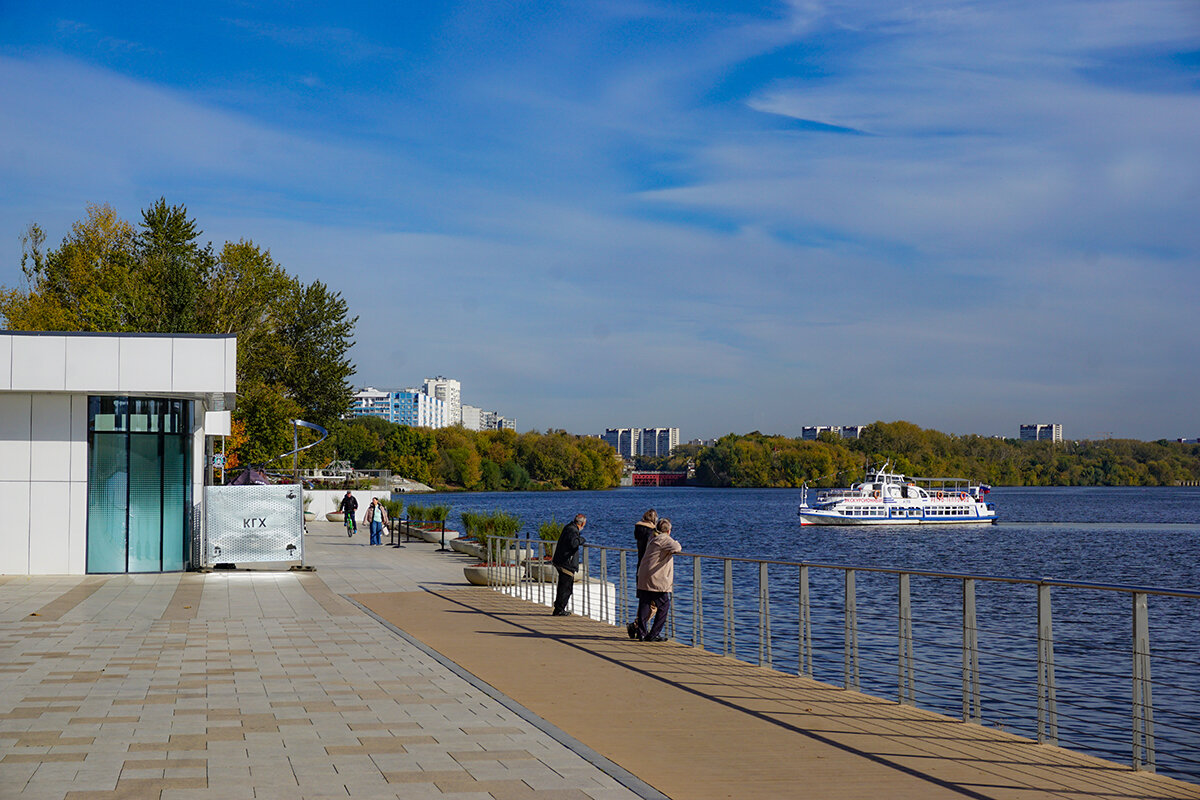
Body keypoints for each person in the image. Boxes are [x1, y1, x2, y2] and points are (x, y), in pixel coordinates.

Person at [634, 518, 682, 642]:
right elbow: (677, 547)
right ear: (669, 531)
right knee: (664, 605)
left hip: (644, 574)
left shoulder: (653, 539)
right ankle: (653, 634)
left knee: (645, 604)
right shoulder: (664, 539)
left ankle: (641, 633)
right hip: (655, 578)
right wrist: (673, 540)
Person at [627, 509, 658, 638]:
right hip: (651, 569)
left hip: (640, 568)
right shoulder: (652, 533)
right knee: (654, 603)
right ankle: (637, 625)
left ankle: (640, 629)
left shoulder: (639, 531)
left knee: (644, 601)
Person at [550, 514, 587, 616]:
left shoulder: (568, 527)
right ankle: (559, 609)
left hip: (562, 560)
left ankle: (559, 608)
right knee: (566, 588)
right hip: (566, 563)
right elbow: (573, 543)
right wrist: (582, 540)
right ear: (582, 523)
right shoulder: (572, 530)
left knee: (564, 586)